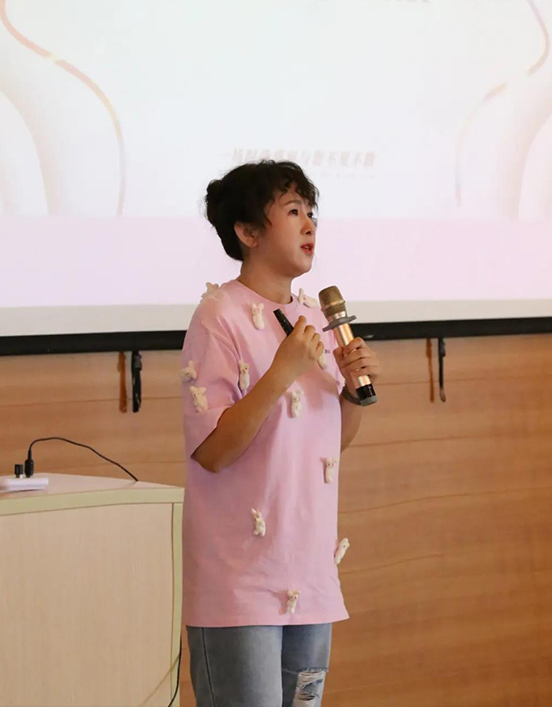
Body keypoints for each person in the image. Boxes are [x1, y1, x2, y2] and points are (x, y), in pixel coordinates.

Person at [180, 160, 381, 707]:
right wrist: (280, 373)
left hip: (310, 573)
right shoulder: (218, 315)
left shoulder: (316, 318)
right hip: (240, 583)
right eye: (293, 211)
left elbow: (328, 443)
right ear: (249, 232)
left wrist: (350, 393)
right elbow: (213, 451)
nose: (309, 224)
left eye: (311, 211)